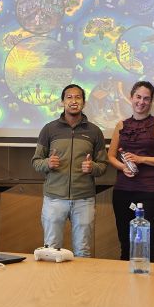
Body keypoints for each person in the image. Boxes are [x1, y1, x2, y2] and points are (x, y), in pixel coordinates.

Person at [31, 84, 108, 257]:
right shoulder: (49, 129)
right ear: (62, 102)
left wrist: (93, 167)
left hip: (84, 199)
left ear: (84, 102)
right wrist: (48, 163)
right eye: (69, 97)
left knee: (83, 251)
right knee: (51, 250)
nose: (74, 101)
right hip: (54, 198)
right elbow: (36, 161)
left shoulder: (94, 131)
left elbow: (103, 165)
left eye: (78, 97)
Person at [108, 81, 154, 262]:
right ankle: (126, 280)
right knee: (125, 244)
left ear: (151, 101)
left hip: (149, 191)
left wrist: (141, 159)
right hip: (122, 191)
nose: (141, 102)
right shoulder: (121, 125)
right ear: (131, 97)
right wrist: (123, 167)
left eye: (146, 98)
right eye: (138, 97)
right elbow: (111, 156)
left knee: (148, 244)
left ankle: (151, 280)